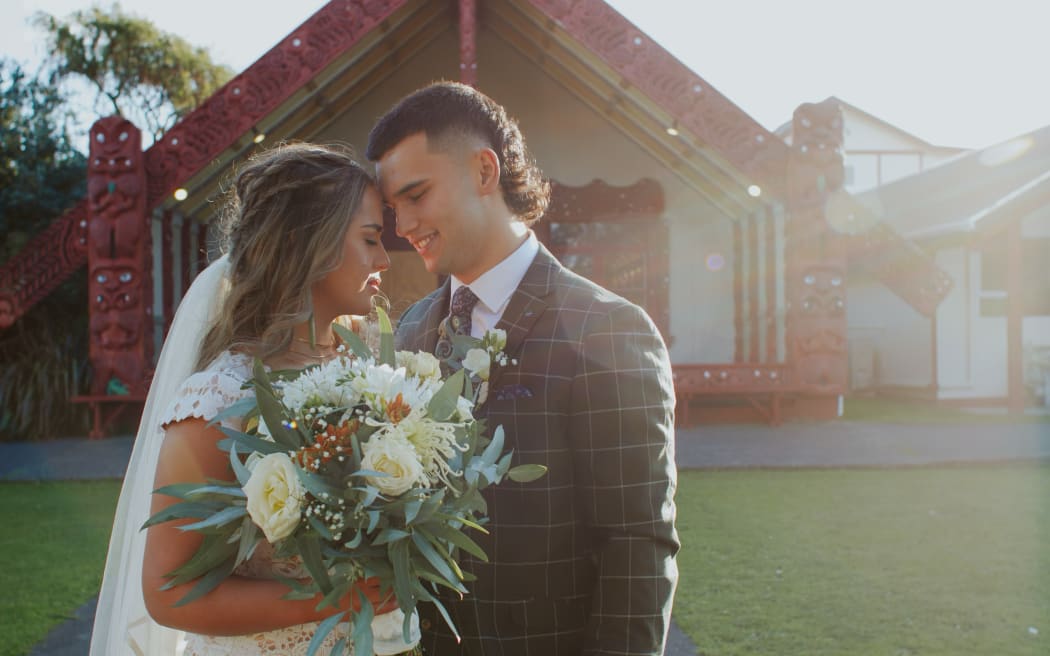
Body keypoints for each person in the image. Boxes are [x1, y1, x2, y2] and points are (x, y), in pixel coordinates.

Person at [367, 81, 680, 655]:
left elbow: (636, 545)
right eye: (393, 209)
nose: (403, 225)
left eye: (417, 195)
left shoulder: (608, 328)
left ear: (485, 172)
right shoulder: (410, 330)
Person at [89, 143, 410, 655]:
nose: (384, 260)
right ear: (310, 243)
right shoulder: (217, 399)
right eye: (371, 239)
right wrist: (335, 597)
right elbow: (170, 592)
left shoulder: (370, 375)